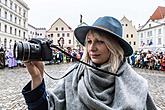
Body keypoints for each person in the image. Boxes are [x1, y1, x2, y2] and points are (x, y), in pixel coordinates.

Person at [22, 16, 158, 110]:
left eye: (100, 41)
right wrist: (36, 77)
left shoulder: (137, 84)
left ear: (114, 47)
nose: (92, 48)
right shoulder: (73, 76)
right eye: (89, 41)